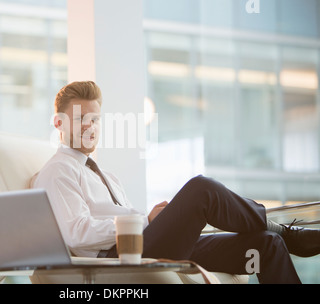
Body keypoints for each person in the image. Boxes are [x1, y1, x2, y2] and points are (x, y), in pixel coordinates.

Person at [33, 80, 320, 284]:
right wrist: (145, 221)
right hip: (119, 258)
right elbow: (77, 234)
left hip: (143, 243)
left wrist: (157, 222)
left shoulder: (105, 174)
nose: (89, 126)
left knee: (265, 245)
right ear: (58, 123)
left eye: (95, 119)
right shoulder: (58, 171)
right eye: (81, 118)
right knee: (201, 189)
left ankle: (277, 234)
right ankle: (285, 231)